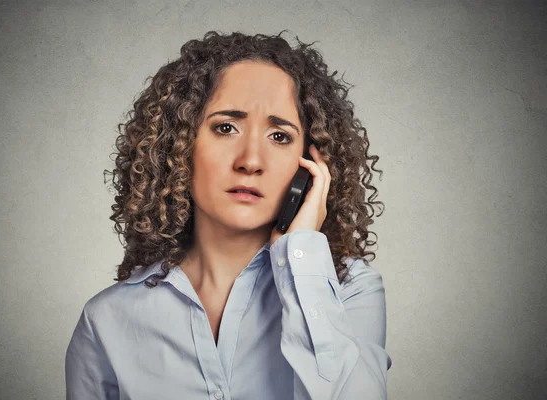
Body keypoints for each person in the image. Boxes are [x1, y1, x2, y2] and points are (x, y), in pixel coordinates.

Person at [65, 30, 391, 399]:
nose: (250, 161)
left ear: (312, 164)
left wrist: (301, 250)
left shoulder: (350, 292)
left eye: (280, 136)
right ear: (179, 145)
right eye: (225, 128)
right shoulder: (107, 320)